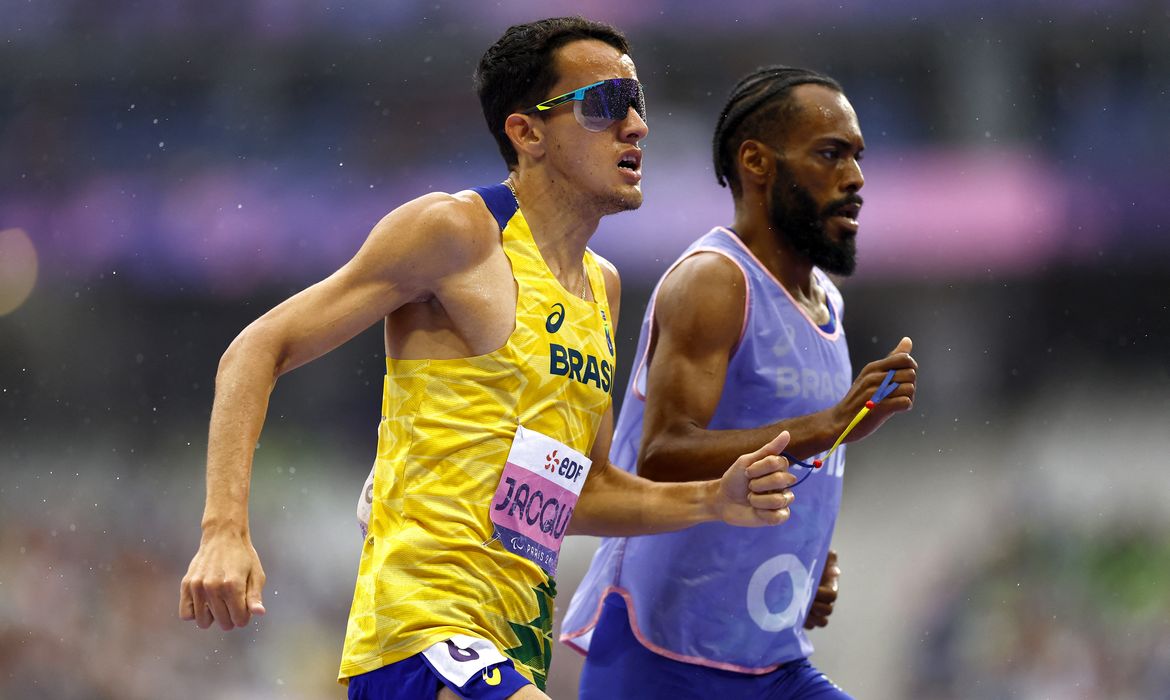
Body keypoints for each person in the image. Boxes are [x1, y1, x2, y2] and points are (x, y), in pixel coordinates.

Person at [177, 18, 803, 700]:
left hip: (514, 645)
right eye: (604, 103)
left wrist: (712, 498)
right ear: (527, 133)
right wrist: (224, 532)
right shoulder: (456, 233)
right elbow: (255, 348)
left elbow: (585, 490)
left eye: (638, 103)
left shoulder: (604, 288)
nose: (635, 126)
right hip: (423, 636)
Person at [560, 65, 919, 698]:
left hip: (771, 657)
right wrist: (832, 423)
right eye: (831, 155)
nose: (856, 179)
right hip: (664, 657)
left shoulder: (826, 300)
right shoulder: (714, 282)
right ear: (757, 162)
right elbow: (664, 454)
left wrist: (804, 564)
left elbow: (780, 463)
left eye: (858, 157)